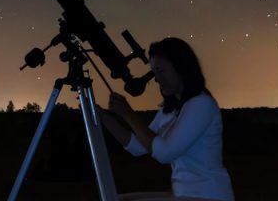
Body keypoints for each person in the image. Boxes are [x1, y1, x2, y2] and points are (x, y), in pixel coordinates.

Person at [98, 37, 234, 201]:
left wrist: (128, 114)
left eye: (161, 71)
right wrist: (102, 116)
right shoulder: (170, 109)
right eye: (154, 72)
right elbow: (137, 147)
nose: (157, 80)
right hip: (183, 194)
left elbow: (164, 153)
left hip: (209, 195)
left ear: (181, 68)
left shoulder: (202, 104)